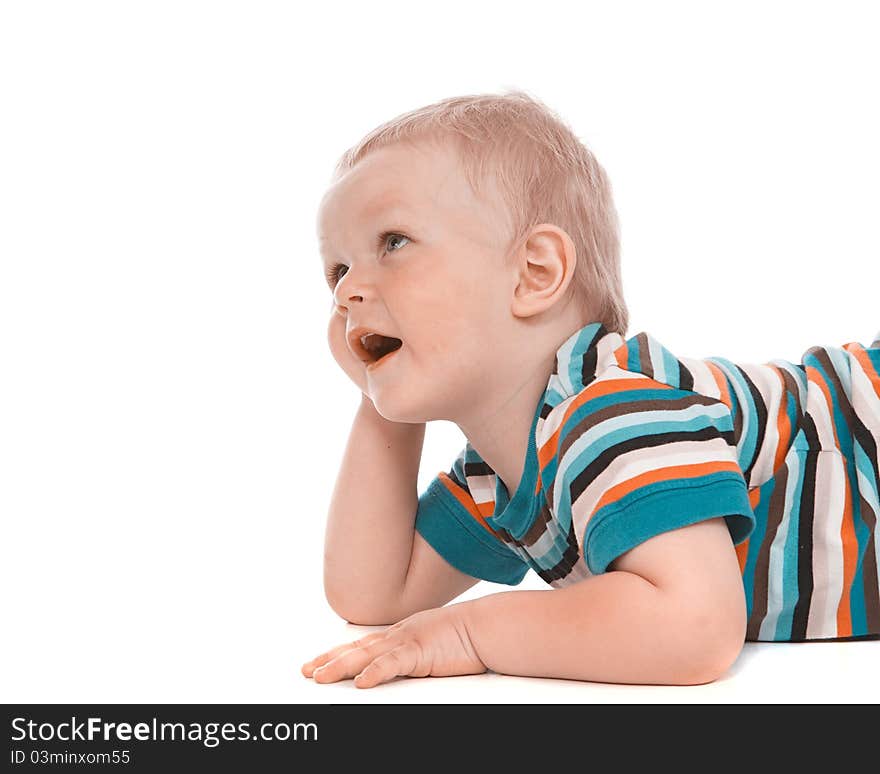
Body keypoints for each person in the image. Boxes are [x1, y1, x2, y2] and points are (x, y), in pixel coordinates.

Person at [302, 90, 880, 689]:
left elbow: (696, 627)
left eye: (393, 242)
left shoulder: (611, 412)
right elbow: (375, 593)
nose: (347, 293)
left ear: (535, 274)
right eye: (337, 272)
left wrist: (469, 632)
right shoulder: (500, 468)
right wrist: (381, 391)